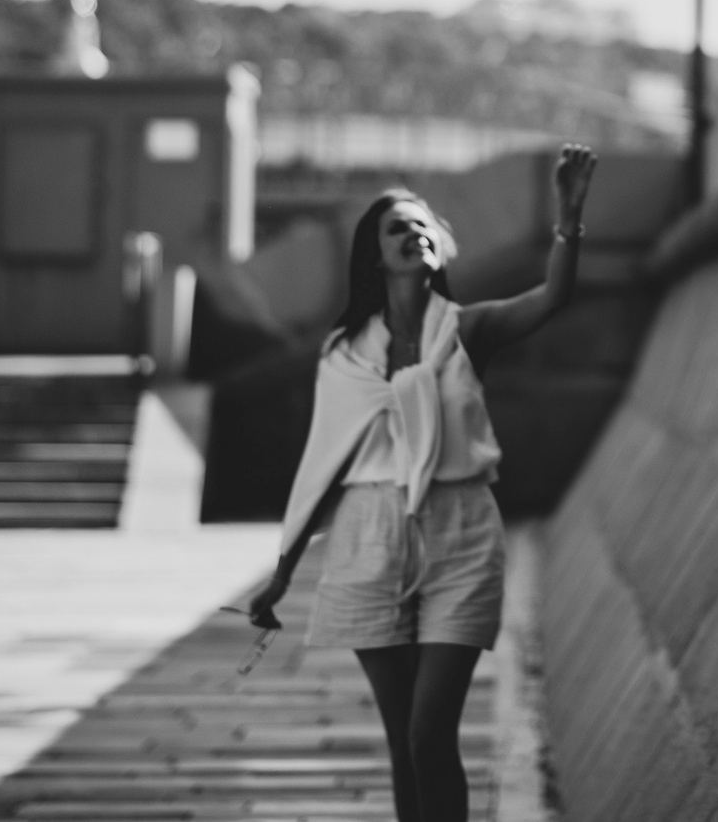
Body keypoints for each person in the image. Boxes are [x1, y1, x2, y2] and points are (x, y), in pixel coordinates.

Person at [245, 142, 596, 822]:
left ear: (440, 245)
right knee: (402, 742)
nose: (414, 233)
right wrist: (283, 570)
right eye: (397, 227)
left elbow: (555, 296)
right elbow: (325, 460)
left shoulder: (470, 329)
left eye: (422, 225)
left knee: (429, 731)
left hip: (460, 531)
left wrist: (568, 216)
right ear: (376, 255)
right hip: (368, 538)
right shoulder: (344, 353)